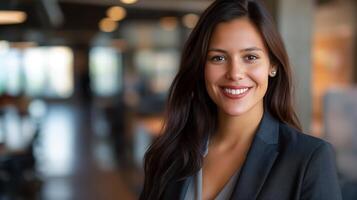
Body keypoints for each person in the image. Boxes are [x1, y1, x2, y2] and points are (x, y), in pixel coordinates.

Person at [139, 0, 342, 199]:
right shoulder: (170, 153)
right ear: (201, 68)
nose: (235, 73)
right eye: (218, 58)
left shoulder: (308, 158)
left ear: (272, 65)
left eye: (250, 57)